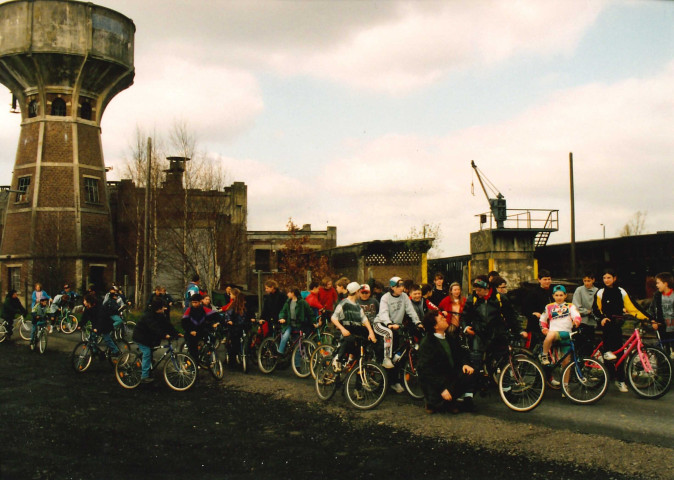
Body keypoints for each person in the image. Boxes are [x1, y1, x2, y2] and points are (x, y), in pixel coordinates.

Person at [592, 269, 649, 393]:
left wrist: (648, 318)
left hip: (617, 324)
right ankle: (607, 377)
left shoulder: (621, 291)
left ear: (614, 278)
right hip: (606, 323)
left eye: (609, 277)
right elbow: (596, 309)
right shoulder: (600, 292)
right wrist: (602, 318)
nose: (606, 280)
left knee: (620, 355)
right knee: (609, 354)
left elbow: (632, 307)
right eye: (604, 278)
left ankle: (620, 380)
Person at [462, 275, 526, 374]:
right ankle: (476, 386)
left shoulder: (500, 298)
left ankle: (505, 386)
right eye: (475, 290)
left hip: (498, 335)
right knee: (476, 363)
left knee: (503, 363)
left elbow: (511, 316)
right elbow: (465, 316)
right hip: (479, 336)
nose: (476, 292)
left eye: (479, 290)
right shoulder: (472, 299)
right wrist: (466, 327)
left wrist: (519, 330)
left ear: (486, 288)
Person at [417, 310, 476, 414]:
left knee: (470, 373)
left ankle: (450, 401)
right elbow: (426, 370)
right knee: (437, 404)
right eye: (441, 319)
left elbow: (461, 353)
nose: (445, 319)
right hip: (436, 381)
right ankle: (433, 402)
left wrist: (465, 364)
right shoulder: (427, 343)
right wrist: (442, 389)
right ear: (435, 326)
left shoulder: (449, 337)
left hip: (449, 376)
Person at [373, 276, 422, 393]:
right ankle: (385, 359)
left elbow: (410, 310)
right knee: (389, 336)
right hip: (382, 324)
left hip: (395, 327)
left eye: (402, 285)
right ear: (392, 287)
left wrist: (418, 322)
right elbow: (383, 312)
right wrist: (389, 323)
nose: (402, 288)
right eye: (399, 286)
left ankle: (394, 381)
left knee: (399, 355)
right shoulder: (386, 297)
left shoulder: (404, 296)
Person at [330, 282, 377, 373]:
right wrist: (342, 329)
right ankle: (337, 359)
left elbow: (364, 319)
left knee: (361, 355)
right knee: (349, 340)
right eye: (360, 291)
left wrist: (371, 332)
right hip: (347, 331)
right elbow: (333, 318)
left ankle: (358, 385)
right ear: (356, 292)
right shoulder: (344, 303)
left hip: (356, 332)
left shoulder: (357, 306)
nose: (361, 293)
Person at [132, 297, 179, 383]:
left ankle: (148, 367)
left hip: (149, 338)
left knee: (150, 353)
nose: (164, 309)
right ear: (158, 308)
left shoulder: (160, 315)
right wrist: (164, 335)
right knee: (147, 353)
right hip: (141, 337)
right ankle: (144, 376)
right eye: (163, 307)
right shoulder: (148, 316)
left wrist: (176, 333)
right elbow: (154, 328)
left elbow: (167, 325)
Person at [538, 285, 582, 365]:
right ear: (553, 296)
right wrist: (544, 329)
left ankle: (565, 377)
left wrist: (576, 322)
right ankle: (544, 355)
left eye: (561, 295)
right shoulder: (549, 307)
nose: (559, 297)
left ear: (565, 295)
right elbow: (542, 319)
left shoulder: (570, 306)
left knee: (566, 364)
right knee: (550, 334)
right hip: (553, 334)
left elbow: (576, 316)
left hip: (566, 334)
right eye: (556, 295)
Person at [181, 293, 220, 360]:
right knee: (193, 349)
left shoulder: (204, 309)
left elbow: (215, 315)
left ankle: (207, 355)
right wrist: (190, 331)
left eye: (196, 302)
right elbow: (184, 323)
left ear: (200, 302)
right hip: (191, 332)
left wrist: (218, 322)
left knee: (212, 338)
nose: (194, 304)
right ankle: (190, 363)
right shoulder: (189, 310)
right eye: (193, 303)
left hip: (201, 330)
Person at [522, 269, 553, 350]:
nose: (547, 281)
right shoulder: (533, 293)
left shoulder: (553, 292)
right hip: (535, 327)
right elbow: (524, 309)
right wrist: (533, 314)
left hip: (550, 326)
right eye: (545, 279)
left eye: (549, 279)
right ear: (539, 280)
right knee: (531, 349)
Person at [277, 288, 314, 356]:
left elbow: (309, 312)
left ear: (293, 293)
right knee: (285, 336)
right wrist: (282, 318)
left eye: (288, 292)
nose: (287, 294)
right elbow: (283, 311)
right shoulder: (288, 302)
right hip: (289, 324)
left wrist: (313, 321)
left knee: (297, 345)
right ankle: (280, 352)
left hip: (298, 325)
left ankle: (297, 365)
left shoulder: (302, 302)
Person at [572, 273, 599, 356]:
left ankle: (587, 364)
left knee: (590, 346)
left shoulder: (597, 291)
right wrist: (587, 311)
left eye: (589, 281)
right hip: (581, 321)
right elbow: (576, 306)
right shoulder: (579, 290)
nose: (587, 283)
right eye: (585, 281)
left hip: (592, 322)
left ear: (593, 280)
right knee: (580, 345)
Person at [649, 272, 674, 359]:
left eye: (658, 283)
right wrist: (653, 321)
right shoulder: (657, 295)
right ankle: (664, 370)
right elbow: (652, 309)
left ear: (665, 283)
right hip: (662, 327)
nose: (656, 285)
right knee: (663, 351)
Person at [223, 288, 250, 360]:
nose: (230, 296)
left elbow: (228, 313)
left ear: (234, 295)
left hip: (235, 326)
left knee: (233, 341)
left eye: (231, 294)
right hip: (242, 325)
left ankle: (233, 358)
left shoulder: (233, 305)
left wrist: (228, 320)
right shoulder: (244, 304)